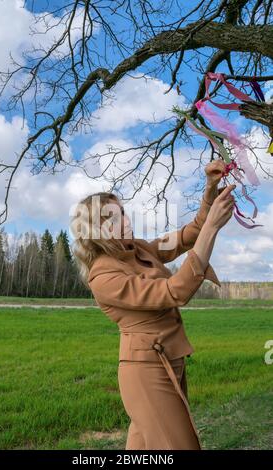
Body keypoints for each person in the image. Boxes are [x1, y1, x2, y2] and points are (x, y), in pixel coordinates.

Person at [70, 159, 236, 450]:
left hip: (170, 360)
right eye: (112, 217)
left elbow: (189, 234)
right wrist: (212, 228)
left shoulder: (140, 248)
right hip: (147, 372)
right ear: (96, 228)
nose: (125, 220)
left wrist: (210, 189)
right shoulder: (103, 275)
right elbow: (174, 291)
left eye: (121, 212)